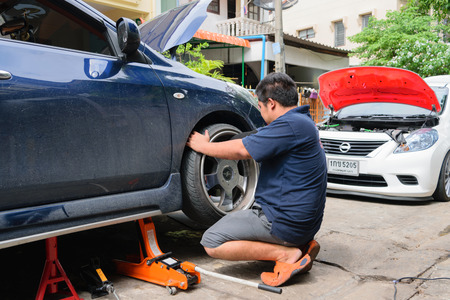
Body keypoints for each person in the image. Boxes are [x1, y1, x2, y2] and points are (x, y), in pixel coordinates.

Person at [186, 72, 327, 287]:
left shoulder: (289, 126)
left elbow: (243, 150)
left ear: (271, 103)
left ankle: (286, 254)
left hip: (282, 222)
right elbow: (253, 136)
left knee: (211, 242)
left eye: (260, 107)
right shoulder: (302, 123)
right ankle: (298, 244)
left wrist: (204, 146)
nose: (260, 112)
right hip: (304, 223)